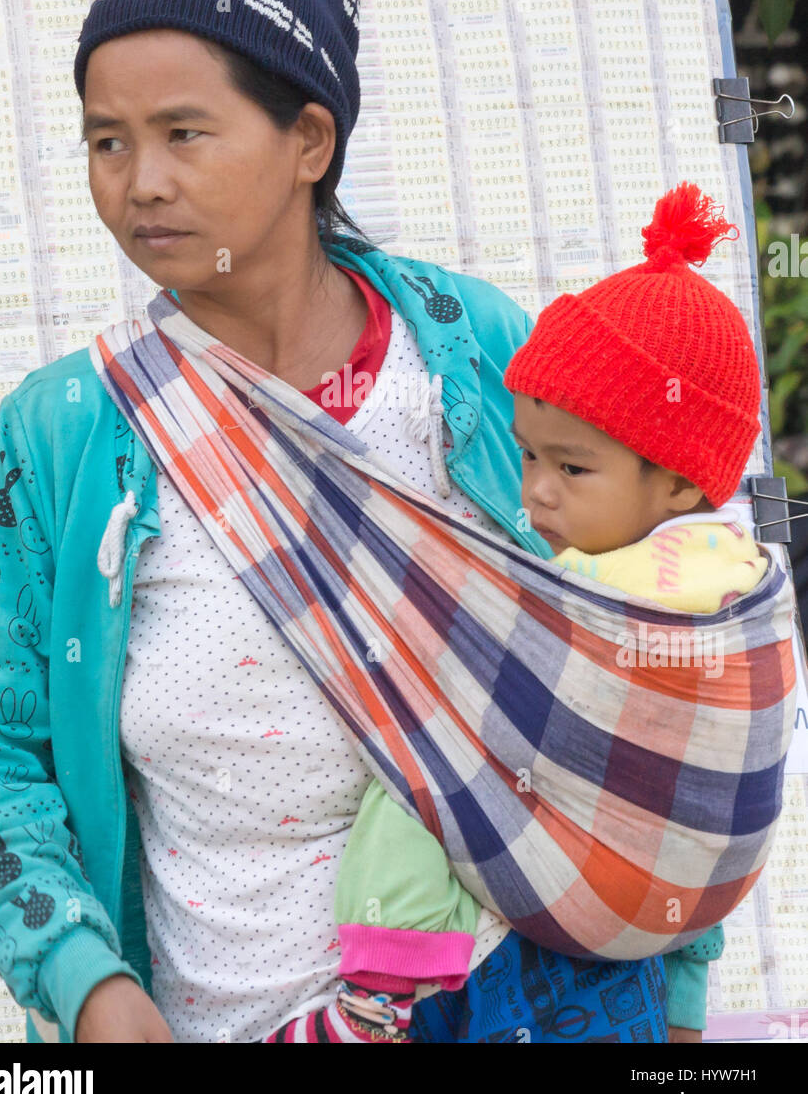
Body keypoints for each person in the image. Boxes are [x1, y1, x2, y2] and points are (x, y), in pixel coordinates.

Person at [0, 0, 717, 1045]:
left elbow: (654, 682)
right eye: (106, 142)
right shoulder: (66, 435)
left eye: (184, 133)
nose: (140, 184)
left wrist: (673, 999)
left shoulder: (491, 370)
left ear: (310, 138)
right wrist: (90, 985)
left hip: (521, 1004)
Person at [263, 182, 762, 1043]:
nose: (533, 492)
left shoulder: (635, 600)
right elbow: (694, 816)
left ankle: (378, 993)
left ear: (680, 481)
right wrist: (684, 1004)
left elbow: (675, 794)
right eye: (528, 453)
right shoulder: (725, 578)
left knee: (421, 755)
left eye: (572, 470)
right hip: (626, 975)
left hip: (558, 984)